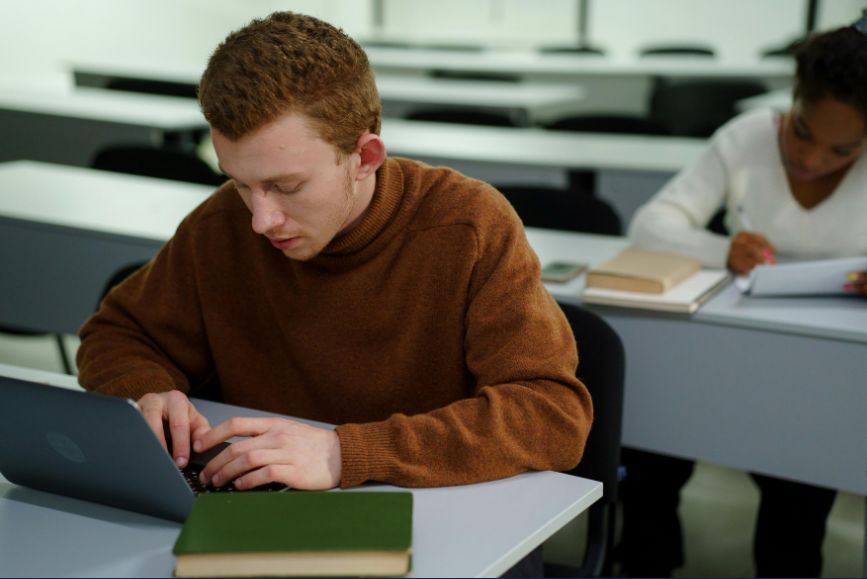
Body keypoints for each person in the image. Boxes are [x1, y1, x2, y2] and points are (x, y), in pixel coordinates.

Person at [77, 8, 591, 521]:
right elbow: (117, 333)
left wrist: (344, 452)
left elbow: (550, 414)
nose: (260, 219)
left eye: (287, 186)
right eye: (239, 182)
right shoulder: (221, 225)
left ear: (365, 156)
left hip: (437, 512)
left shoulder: (469, 226)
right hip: (266, 513)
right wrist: (147, 390)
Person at [622, 17, 867, 578]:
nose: (811, 159)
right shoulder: (749, 136)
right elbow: (649, 224)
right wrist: (722, 249)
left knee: (797, 506)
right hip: (726, 351)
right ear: (795, 98)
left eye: (842, 150)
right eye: (803, 131)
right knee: (653, 461)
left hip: (823, 372)